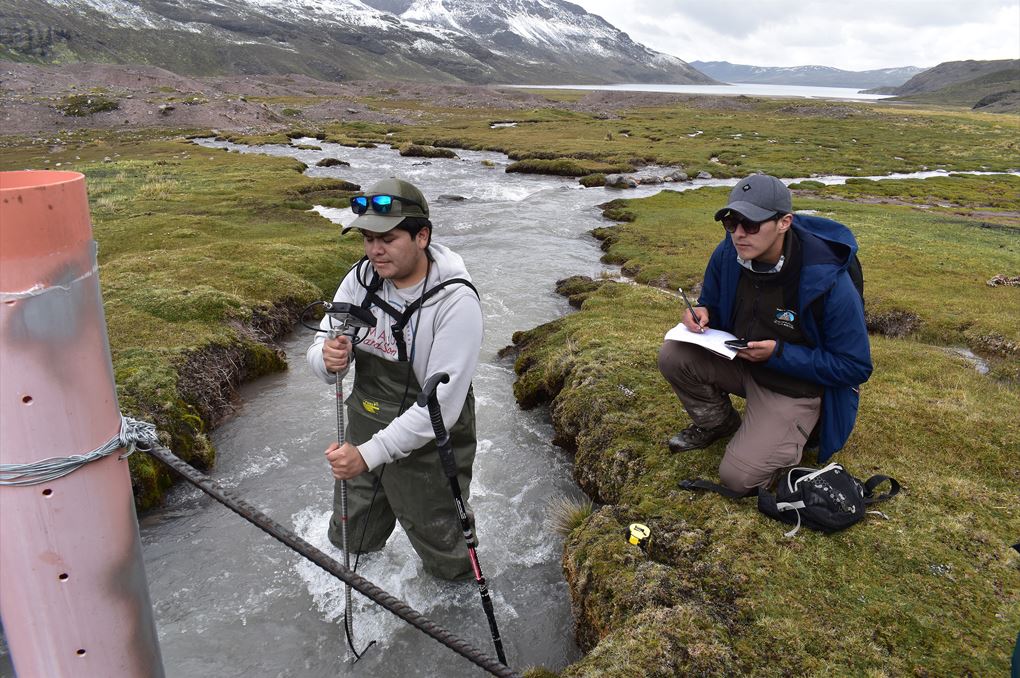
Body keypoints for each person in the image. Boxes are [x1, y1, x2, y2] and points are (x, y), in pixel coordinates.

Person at [307, 177, 483, 580]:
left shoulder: (456, 301)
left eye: (386, 238)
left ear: (422, 236)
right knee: (353, 542)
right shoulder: (361, 279)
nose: (374, 250)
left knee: (447, 560)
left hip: (432, 446)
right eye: (368, 238)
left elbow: (439, 408)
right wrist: (328, 359)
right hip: (365, 425)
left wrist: (366, 456)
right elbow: (319, 354)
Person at [658, 174, 872, 494]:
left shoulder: (827, 281)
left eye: (752, 224)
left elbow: (855, 366)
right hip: (743, 362)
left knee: (738, 478)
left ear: (784, 222)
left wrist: (778, 354)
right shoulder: (729, 254)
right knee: (674, 355)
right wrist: (702, 312)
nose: (739, 234)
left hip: (795, 388)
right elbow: (712, 302)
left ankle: (796, 436)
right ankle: (719, 424)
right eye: (731, 223)